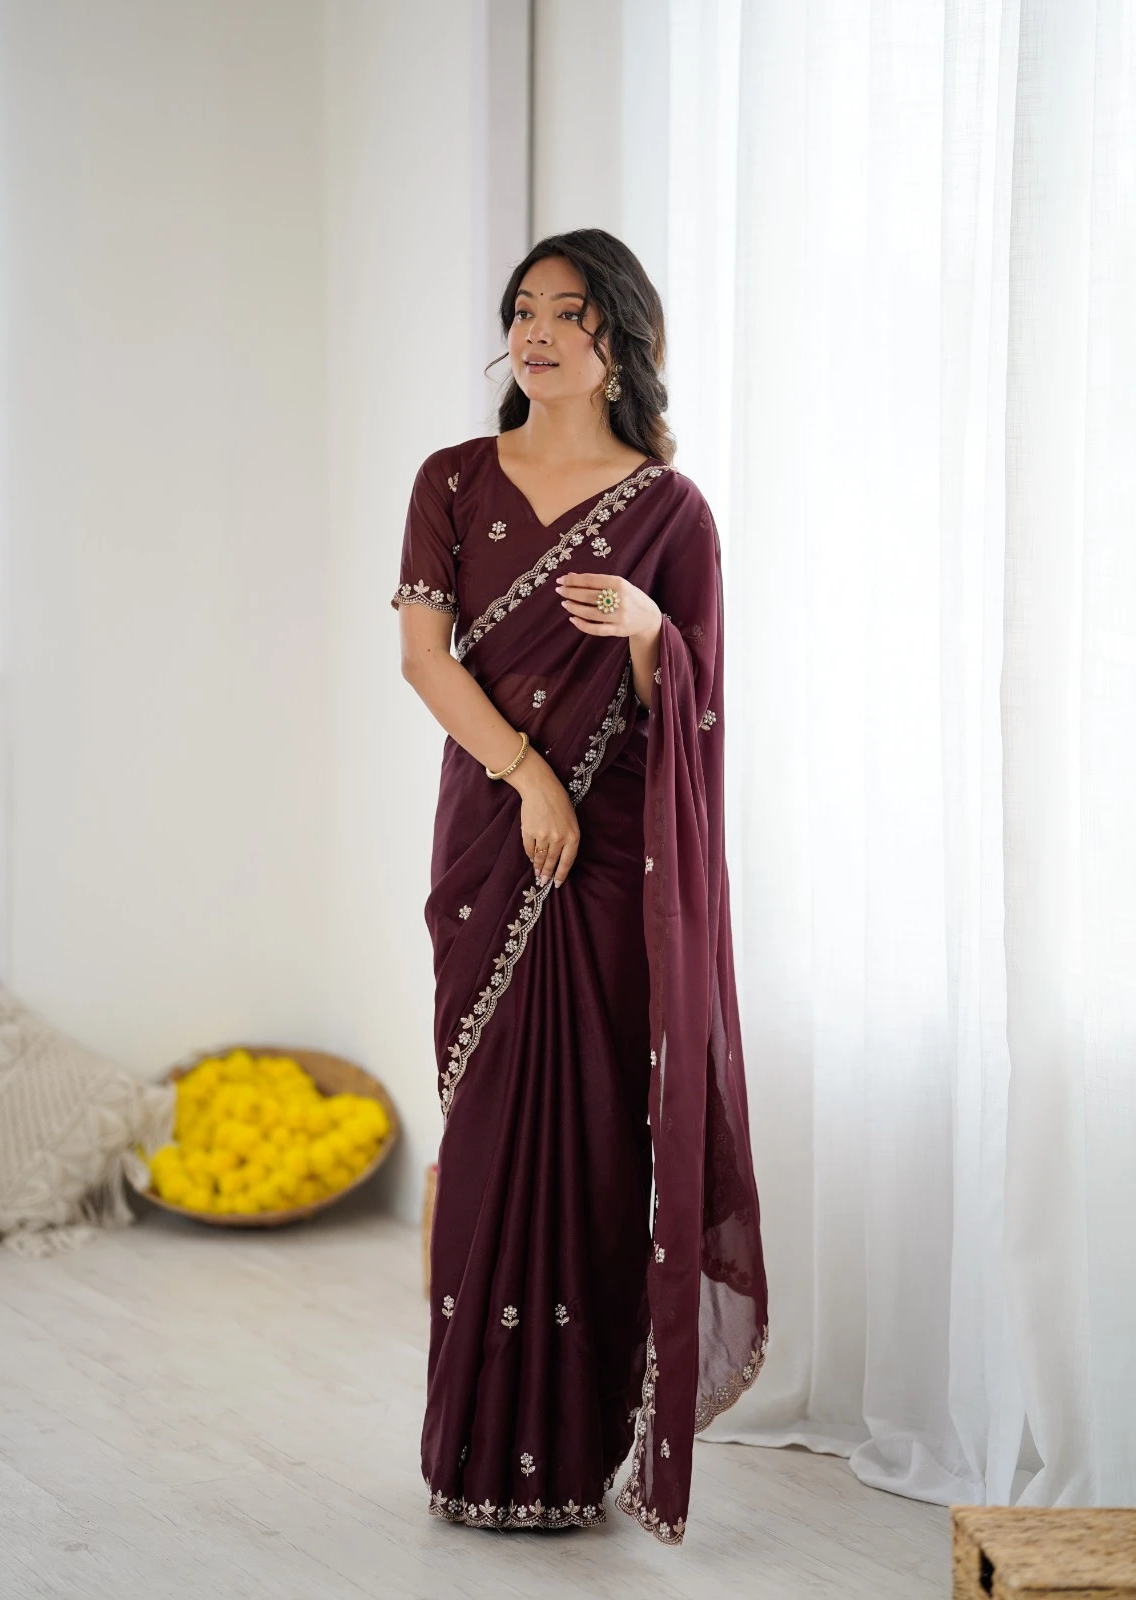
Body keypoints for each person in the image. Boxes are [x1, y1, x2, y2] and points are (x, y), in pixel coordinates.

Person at [391, 228, 769, 1547]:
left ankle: (571, 1455)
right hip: (498, 836)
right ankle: (471, 1449)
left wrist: (654, 633)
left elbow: (698, 704)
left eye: (569, 312)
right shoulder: (452, 478)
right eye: (522, 311)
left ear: (623, 338)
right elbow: (425, 659)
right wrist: (526, 778)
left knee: (603, 1130)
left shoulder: (672, 511)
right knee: (493, 1127)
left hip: (616, 858)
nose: (537, 333)